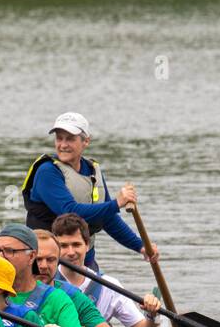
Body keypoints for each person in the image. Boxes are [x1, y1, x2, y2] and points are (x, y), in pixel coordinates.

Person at [20, 112, 157, 270]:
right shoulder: (47, 171)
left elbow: (108, 218)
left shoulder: (93, 170)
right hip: (48, 264)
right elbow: (69, 211)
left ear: (86, 141)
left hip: (85, 260)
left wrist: (140, 246)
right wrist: (117, 203)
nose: (63, 145)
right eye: (59, 138)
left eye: (70, 138)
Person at [52, 214, 161, 327]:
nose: (71, 252)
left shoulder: (109, 286)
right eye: (64, 246)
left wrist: (152, 315)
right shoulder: (44, 281)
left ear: (87, 245)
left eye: (76, 245)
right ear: (55, 248)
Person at [32, 229, 118, 327]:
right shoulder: (6, 290)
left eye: (50, 260)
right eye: (38, 259)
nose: (44, 266)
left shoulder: (71, 295)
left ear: (58, 261)